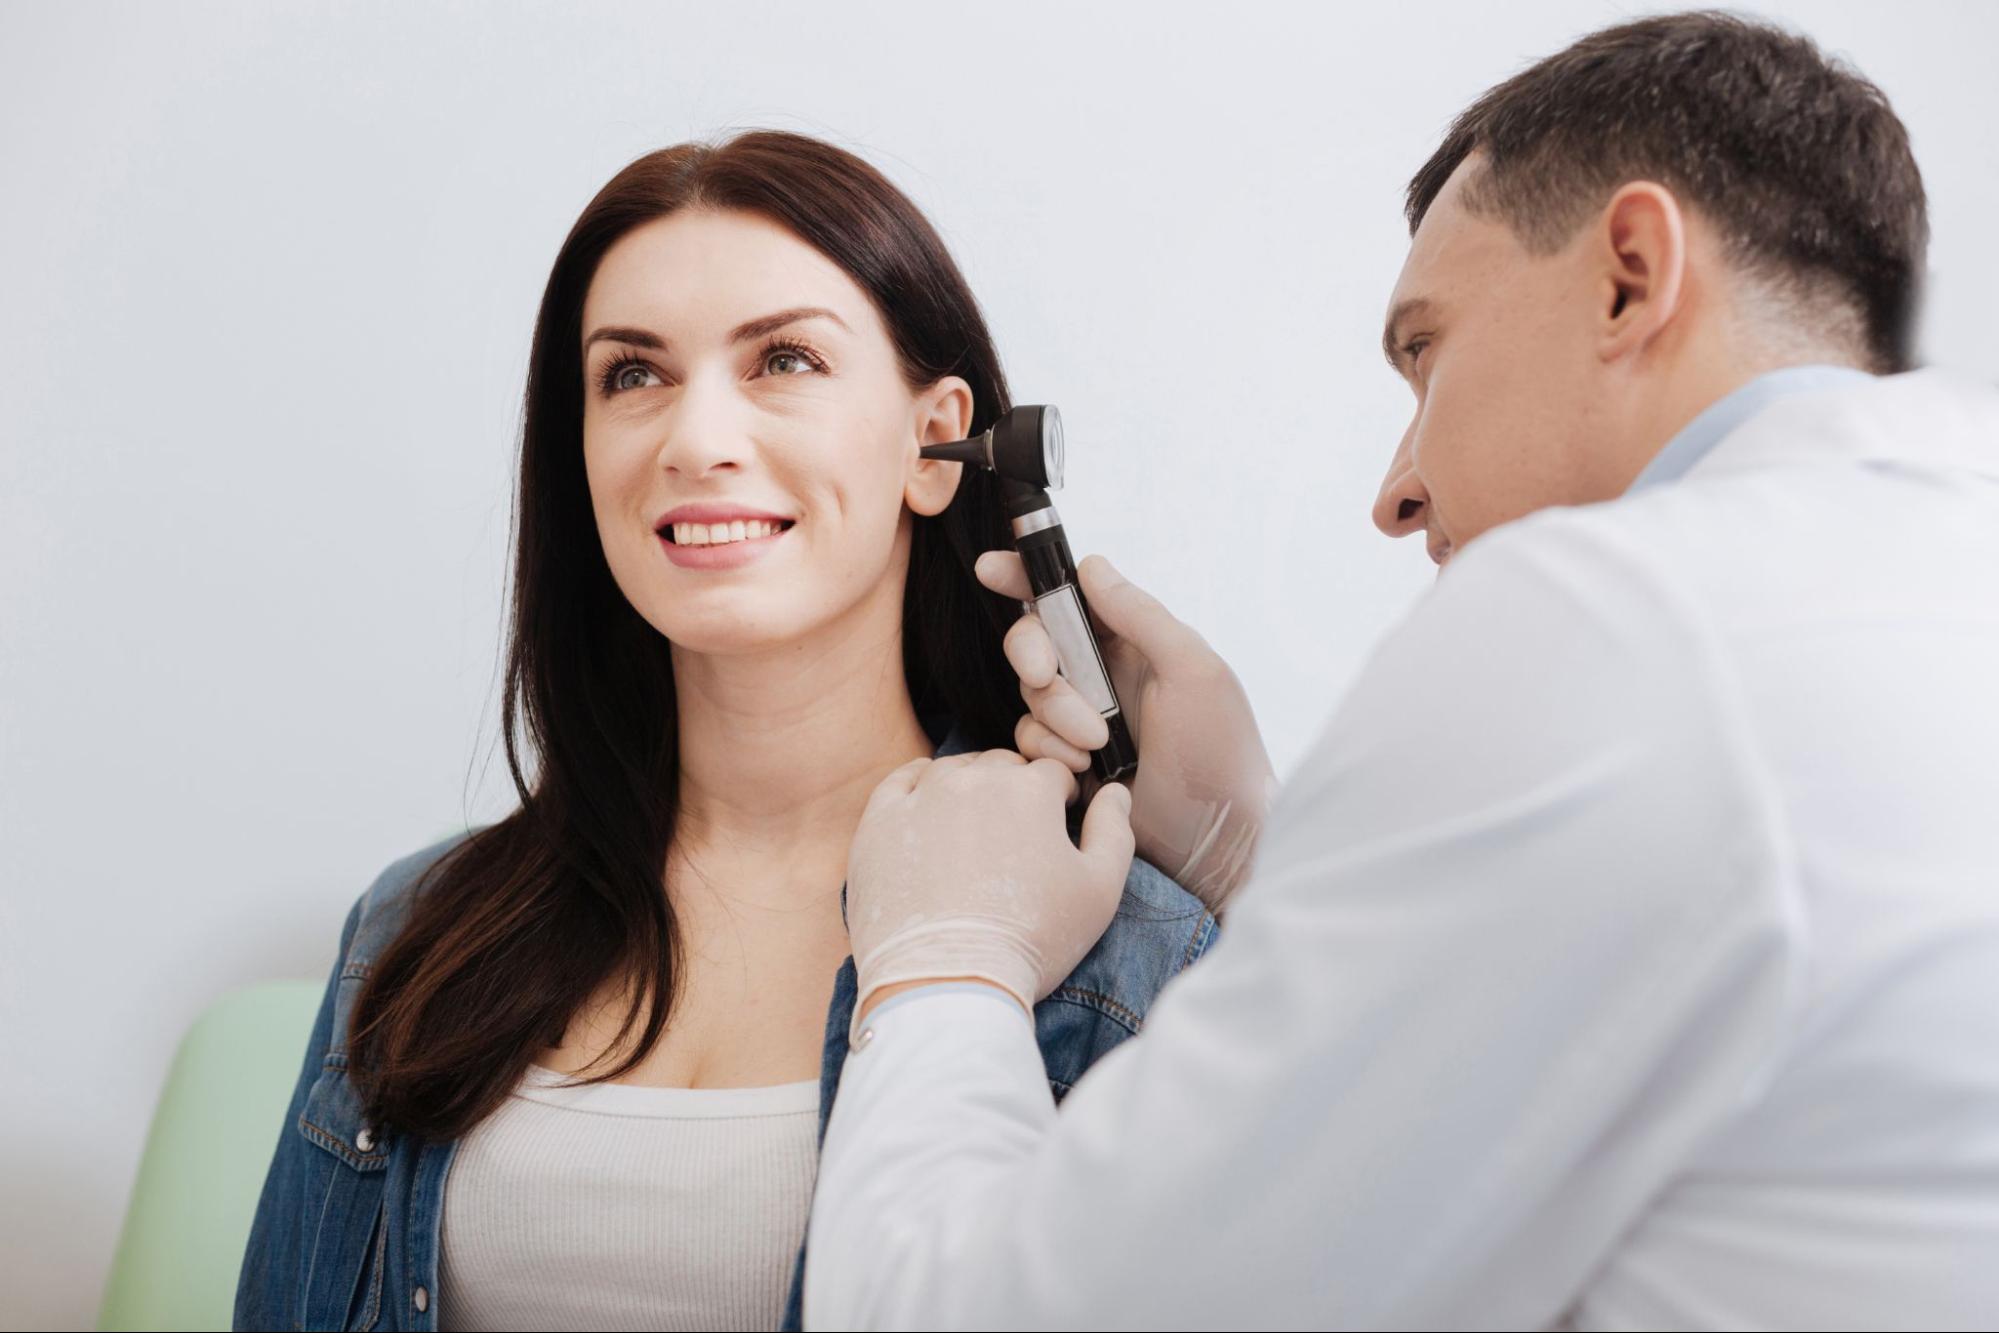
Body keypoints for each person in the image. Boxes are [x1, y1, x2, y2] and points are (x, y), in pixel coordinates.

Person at [806, 14, 1999, 1329]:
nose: (1395, 489)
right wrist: (1248, 864)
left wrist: (938, 967)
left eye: (1422, 350)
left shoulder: (1601, 625)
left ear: (1627, 274)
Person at [233, 130, 1215, 1333]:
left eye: (785, 358)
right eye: (631, 375)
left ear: (935, 441)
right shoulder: (415, 925)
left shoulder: (1127, 953)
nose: (694, 439)